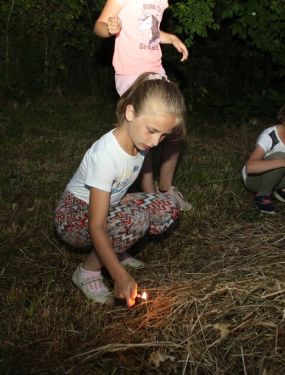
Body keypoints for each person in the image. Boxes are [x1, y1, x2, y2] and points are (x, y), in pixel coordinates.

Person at [54, 73, 186, 307]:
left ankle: (115, 247)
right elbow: (96, 225)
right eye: (152, 130)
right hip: (74, 217)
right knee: (135, 219)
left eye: (163, 134)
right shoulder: (106, 155)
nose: (156, 142)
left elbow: (134, 176)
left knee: (169, 205)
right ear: (130, 113)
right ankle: (87, 272)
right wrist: (119, 275)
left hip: (110, 205)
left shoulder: (139, 140)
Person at [93, 0, 193, 210]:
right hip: (131, 72)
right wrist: (109, 28)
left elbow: (150, 32)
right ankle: (149, 194)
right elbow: (99, 26)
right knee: (144, 130)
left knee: (176, 130)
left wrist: (171, 38)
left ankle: (166, 189)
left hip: (155, 69)